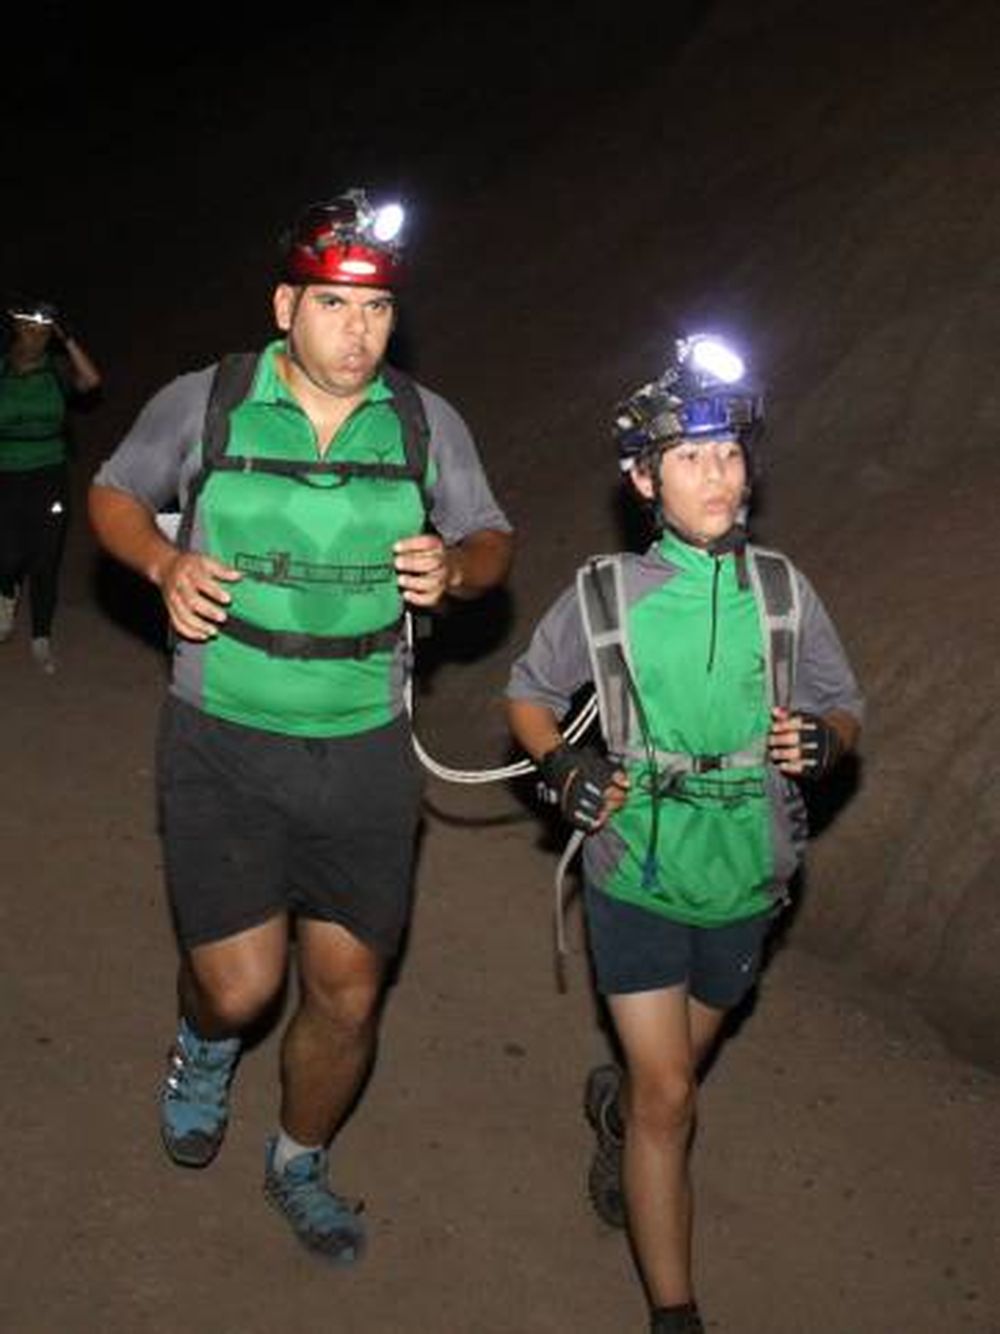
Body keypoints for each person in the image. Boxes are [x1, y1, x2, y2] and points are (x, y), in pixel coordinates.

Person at [87, 188, 513, 1262]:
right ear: (288, 306)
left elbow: (491, 532)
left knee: (348, 991)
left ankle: (300, 1159)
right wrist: (162, 561)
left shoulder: (424, 419)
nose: (357, 330)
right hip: (221, 734)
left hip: (366, 750)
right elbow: (115, 490)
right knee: (241, 986)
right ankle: (202, 1039)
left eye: (374, 312)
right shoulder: (211, 400)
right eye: (333, 305)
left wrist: (457, 568)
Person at [504, 332, 863, 1334]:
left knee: (668, 1075)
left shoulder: (783, 594)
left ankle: (617, 1112)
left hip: (750, 872)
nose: (718, 474)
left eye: (730, 452)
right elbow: (530, 694)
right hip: (634, 868)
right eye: (691, 456)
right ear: (642, 476)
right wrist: (564, 765)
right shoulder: (605, 596)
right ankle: (675, 1312)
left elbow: (842, 704)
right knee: (674, 1097)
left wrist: (824, 745)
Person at [0, 299, 102, 673]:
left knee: (45, 556)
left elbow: (91, 381)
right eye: (29, 328)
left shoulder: (56, 370)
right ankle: (5, 595)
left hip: (49, 474)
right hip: (6, 473)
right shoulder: (2, 371)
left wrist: (68, 338)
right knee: (8, 554)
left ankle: (41, 638)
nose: (36, 337)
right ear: (16, 329)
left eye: (44, 332)